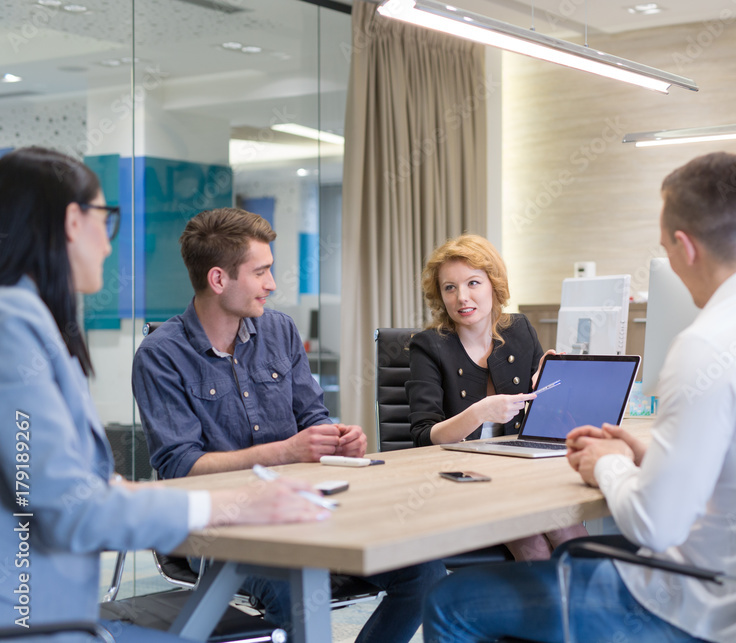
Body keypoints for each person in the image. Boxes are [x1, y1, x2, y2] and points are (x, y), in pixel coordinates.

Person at [422, 152, 736, 643]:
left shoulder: (707, 346)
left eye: (665, 250)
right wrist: (648, 453)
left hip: (693, 607)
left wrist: (606, 463)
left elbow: (654, 526)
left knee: (448, 602)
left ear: (685, 246)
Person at [0, 146, 329, 641]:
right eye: (105, 218)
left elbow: (80, 487)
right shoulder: (13, 328)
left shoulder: (38, 326)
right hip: (36, 624)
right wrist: (235, 506)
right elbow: (73, 507)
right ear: (72, 221)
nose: (109, 246)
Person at [131, 207, 445, 642]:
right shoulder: (161, 356)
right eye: (261, 272)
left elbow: (313, 418)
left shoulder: (279, 330)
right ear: (219, 280)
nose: (272, 285)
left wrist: (337, 440)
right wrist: (288, 451)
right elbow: (179, 469)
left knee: (425, 572)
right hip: (226, 532)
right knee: (298, 596)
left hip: (308, 510)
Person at [407, 233, 586, 560]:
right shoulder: (428, 345)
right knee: (532, 544)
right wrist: (479, 412)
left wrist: (545, 386)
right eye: (450, 287)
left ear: (494, 285)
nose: (462, 297)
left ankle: (588, 611)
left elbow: (538, 424)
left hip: (520, 470)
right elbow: (424, 437)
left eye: (473, 283)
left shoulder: (519, 330)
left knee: (570, 532)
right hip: (464, 479)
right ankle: (549, 611)